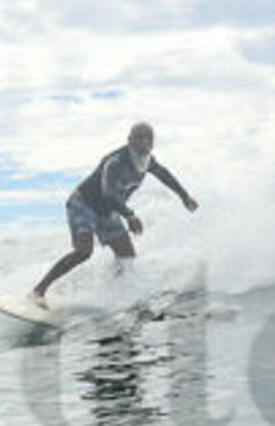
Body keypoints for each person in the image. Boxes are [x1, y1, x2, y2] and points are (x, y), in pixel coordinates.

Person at [31, 121, 197, 304]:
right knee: (83, 251)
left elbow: (164, 175)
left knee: (127, 256)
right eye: (139, 138)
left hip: (109, 210)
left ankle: (110, 295)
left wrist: (185, 196)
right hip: (83, 203)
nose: (144, 142)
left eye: (148, 139)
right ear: (129, 140)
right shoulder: (115, 161)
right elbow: (108, 192)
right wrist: (129, 214)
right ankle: (38, 292)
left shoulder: (149, 161)